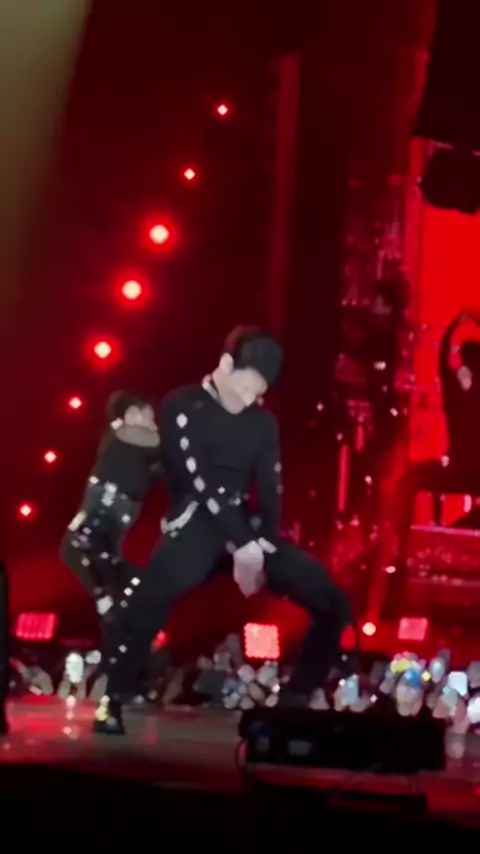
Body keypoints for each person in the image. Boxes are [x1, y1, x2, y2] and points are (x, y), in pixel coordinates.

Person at [93, 327, 352, 734]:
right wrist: (244, 543)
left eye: (259, 393)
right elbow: (199, 480)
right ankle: (115, 696)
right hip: (196, 522)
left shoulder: (262, 422)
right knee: (145, 602)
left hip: (245, 528)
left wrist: (264, 541)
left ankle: (296, 698)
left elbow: (270, 486)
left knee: (331, 600)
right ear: (227, 365)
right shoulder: (182, 405)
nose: (250, 400)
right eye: (246, 388)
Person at [60, 390, 161, 620]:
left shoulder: (143, 444)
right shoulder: (122, 434)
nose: (154, 424)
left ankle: (115, 596)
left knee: (79, 547)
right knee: (93, 554)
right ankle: (119, 595)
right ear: (132, 415)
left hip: (110, 504)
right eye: (149, 417)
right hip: (106, 504)